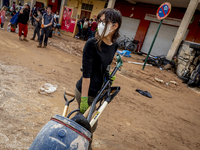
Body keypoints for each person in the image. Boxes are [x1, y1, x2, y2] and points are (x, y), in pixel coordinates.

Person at [74, 8, 122, 149]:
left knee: (89, 127)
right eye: (99, 21)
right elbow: (86, 75)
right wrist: (84, 100)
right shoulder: (91, 44)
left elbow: (105, 66)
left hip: (98, 92)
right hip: (86, 92)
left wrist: (108, 77)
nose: (100, 24)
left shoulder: (114, 45)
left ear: (115, 26)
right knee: (86, 127)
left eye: (104, 22)